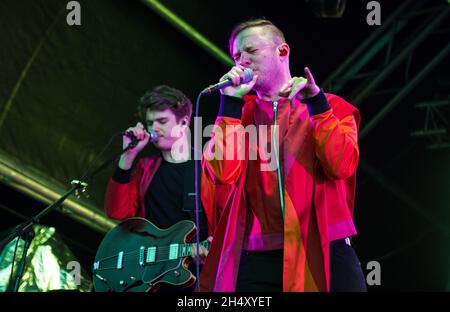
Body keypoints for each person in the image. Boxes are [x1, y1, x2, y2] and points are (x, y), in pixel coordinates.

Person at [200, 19, 366, 292]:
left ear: (282, 51)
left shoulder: (330, 106)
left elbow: (342, 165)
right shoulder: (238, 115)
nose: (241, 61)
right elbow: (221, 173)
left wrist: (318, 107)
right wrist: (229, 103)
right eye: (236, 55)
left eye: (251, 51)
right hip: (259, 252)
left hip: (323, 244)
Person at [104, 85, 209, 291]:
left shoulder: (206, 168)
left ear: (184, 123)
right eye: (150, 123)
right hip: (150, 275)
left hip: (191, 276)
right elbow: (117, 211)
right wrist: (128, 156)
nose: (154, 128)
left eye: (162, 121)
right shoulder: (146, 168)